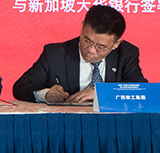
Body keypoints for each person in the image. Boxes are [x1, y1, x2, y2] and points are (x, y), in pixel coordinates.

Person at [13, 5, 146, 104]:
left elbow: (142, 90)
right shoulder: (56, 54)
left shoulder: (126, 54)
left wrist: (100, 93)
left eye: (101, 47)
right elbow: (21, 87)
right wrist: (45, 94)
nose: (91, 50)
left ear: (116, 44)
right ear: (82, 27)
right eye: (87, 40)